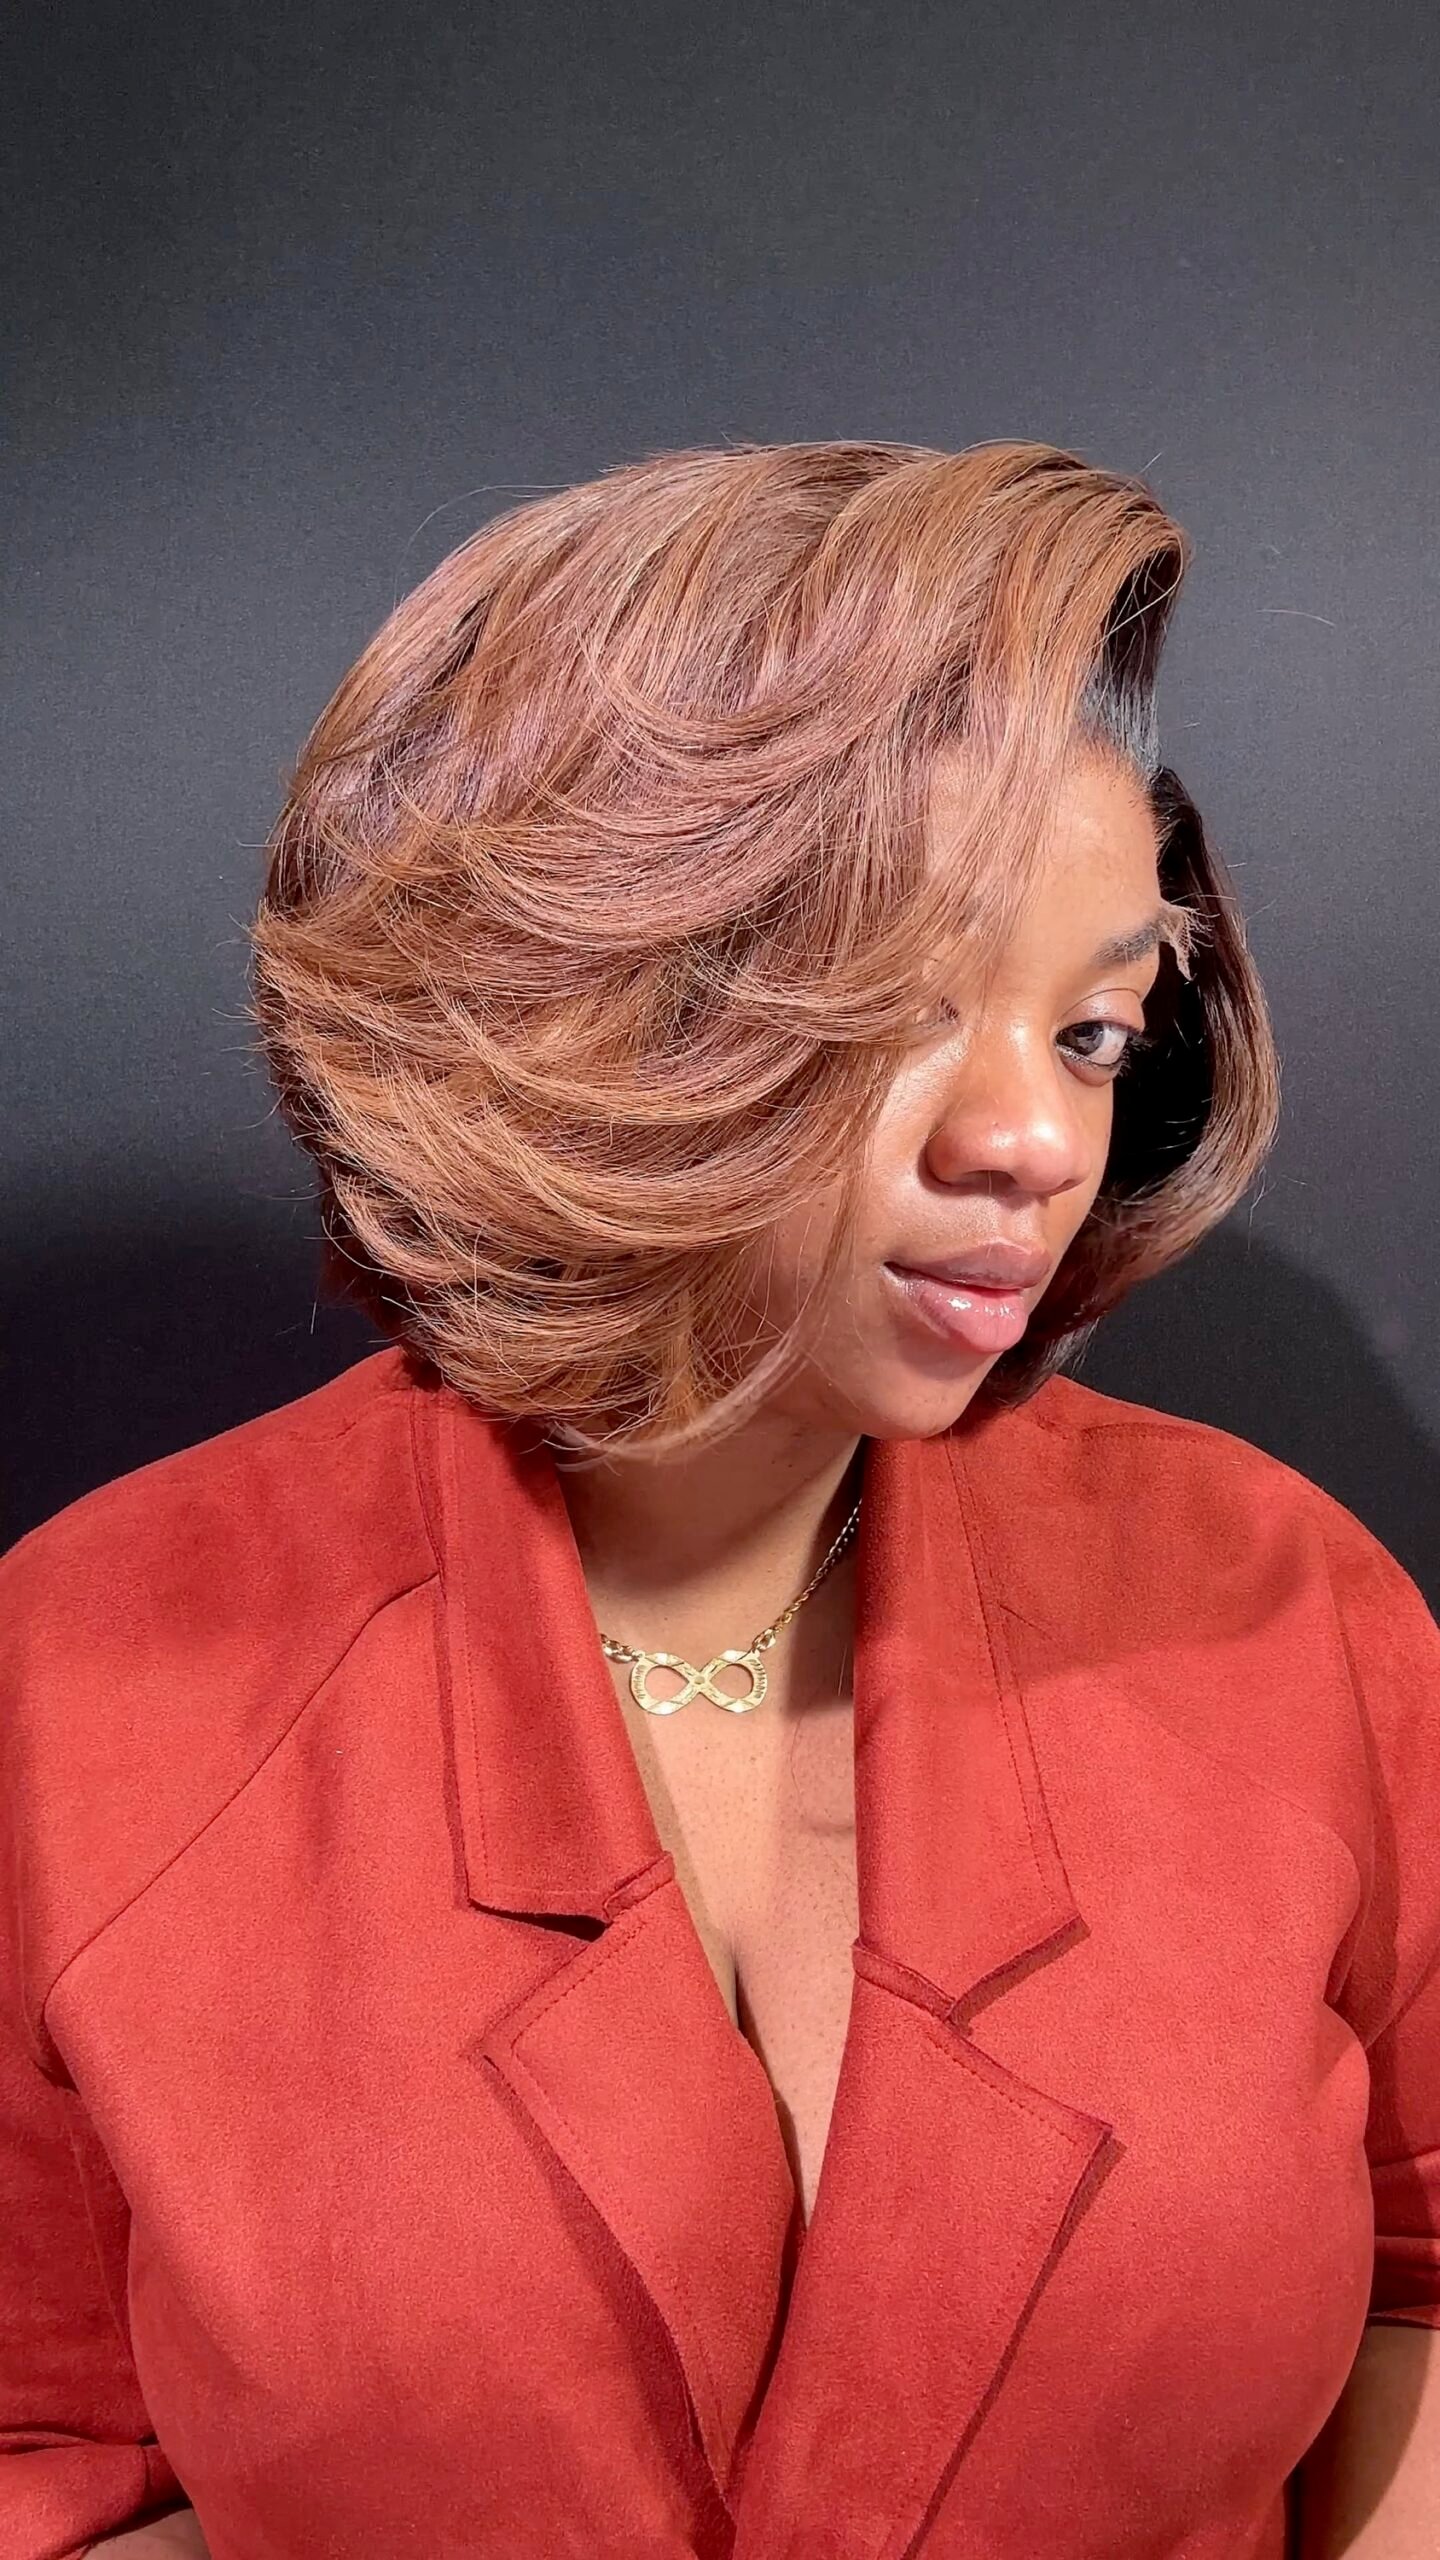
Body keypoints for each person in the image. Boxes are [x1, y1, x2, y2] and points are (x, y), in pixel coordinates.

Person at [3, 439, 1438, 2560]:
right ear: (589, 988)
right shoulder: (88, 1683)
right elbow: (47, 2444)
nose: (1035, 1139)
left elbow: (1422, 2273)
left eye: (1094, 1031)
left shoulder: (1282, 1607)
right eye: (906, 1004)